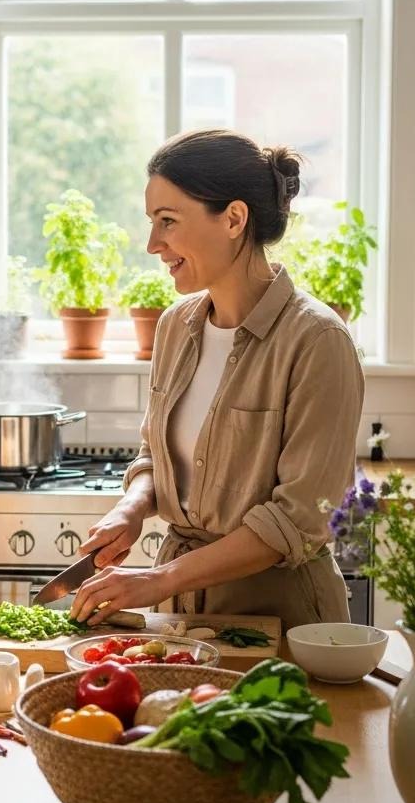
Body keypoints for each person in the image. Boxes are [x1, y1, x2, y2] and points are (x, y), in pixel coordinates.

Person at [70, 129, 364, 629]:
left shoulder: (317, 341)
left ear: (233, 219)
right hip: (181, 618)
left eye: (168, 221)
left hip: (278, 622)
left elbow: (297, 520)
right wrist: (132, 508)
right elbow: (153, 455)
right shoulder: (173, 327)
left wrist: (156, 581)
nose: (152, 244)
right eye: (151, 222)